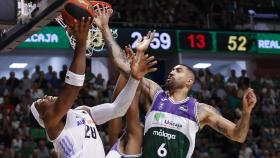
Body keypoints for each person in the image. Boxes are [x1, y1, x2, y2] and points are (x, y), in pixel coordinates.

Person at [95, 6, 257, 158]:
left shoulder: (201, 110)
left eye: (178, 70)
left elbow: (238, 135)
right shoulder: (155, 94)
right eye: (172, 69)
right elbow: (120, 62)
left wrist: (246, 112)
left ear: (189, 81)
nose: (172, 71)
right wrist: (105, 28)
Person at [30, 17, 157, 158]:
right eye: (41, 101)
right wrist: (81, 41)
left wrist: (134, 78)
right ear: (42, 116)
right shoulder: (51, 123)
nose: (46, 96)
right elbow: (72, 88)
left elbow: (118, 109)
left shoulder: (83, 112)